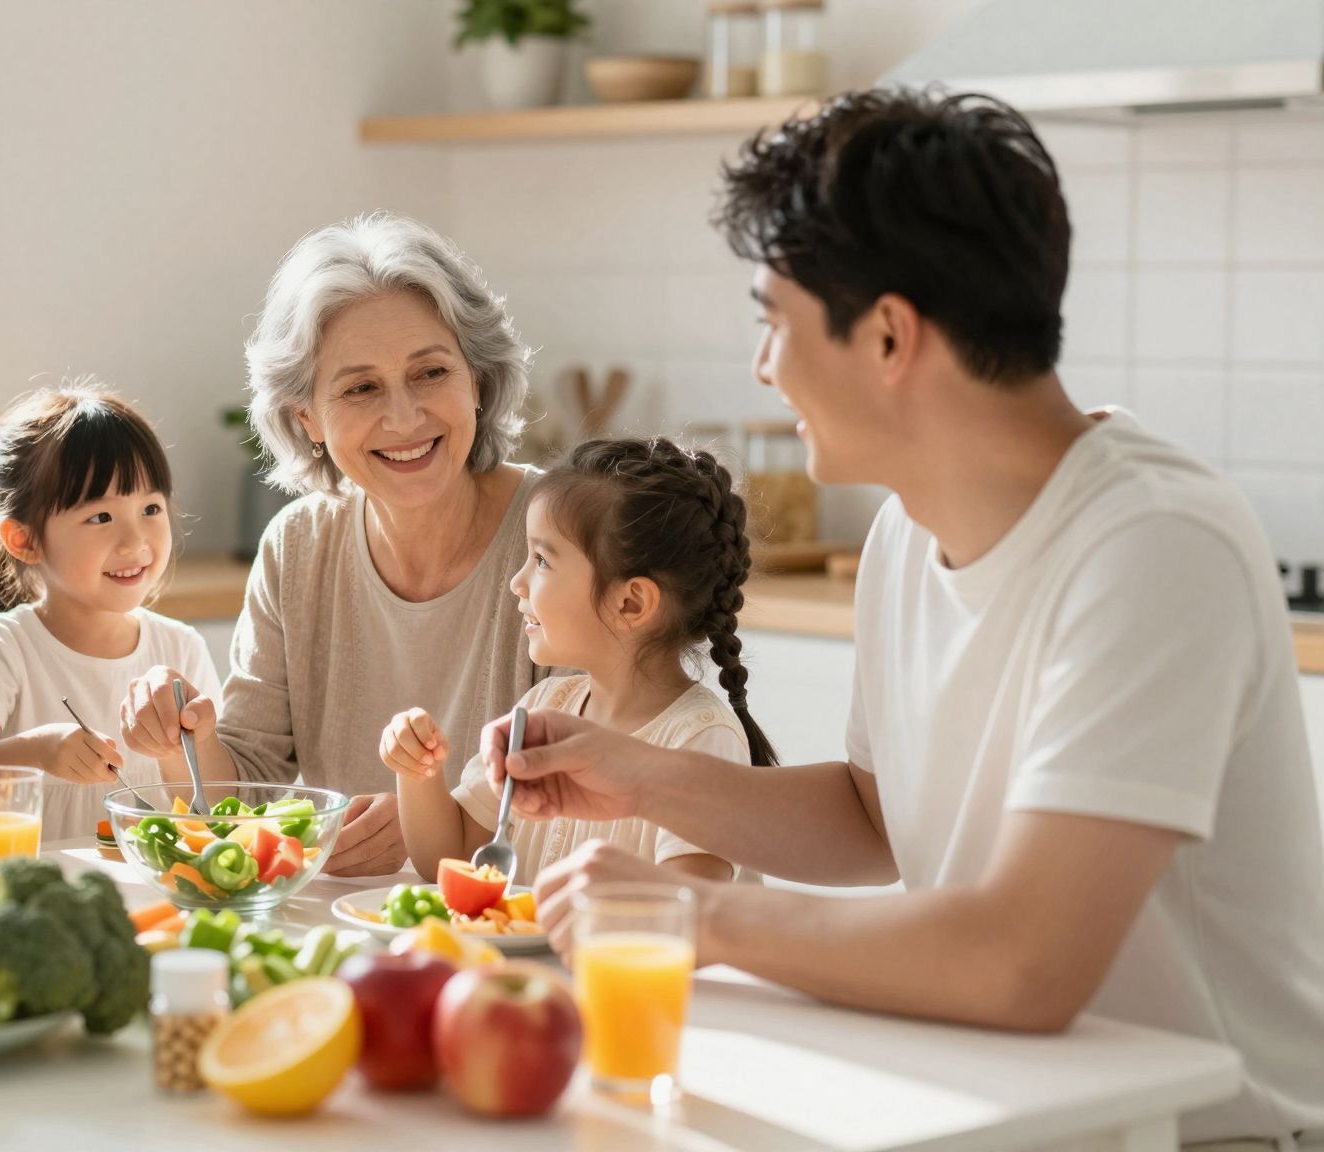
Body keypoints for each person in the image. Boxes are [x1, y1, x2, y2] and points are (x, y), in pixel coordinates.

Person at [482, 89, 1324, 1145]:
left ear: (886, 336)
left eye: (771, 323)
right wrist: (634, 771)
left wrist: (685, 914)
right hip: (1008, 1102)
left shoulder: (1150, 545)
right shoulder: (900, 535)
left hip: (1203, 1134)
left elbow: (1023, 962)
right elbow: (877, 823)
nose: (761, 367)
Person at [117, 212, 543, 876]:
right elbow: (243, 790)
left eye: (431, 373)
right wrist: (183, 740)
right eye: (361, 388)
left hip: (539, 933)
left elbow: (612, 785)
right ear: (307, 417)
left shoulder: (563, 537)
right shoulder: (298, 549)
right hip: (352, 931)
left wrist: (432, 826)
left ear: (478, 382)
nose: (404, 417)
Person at [384, 438, 767, 886]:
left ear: (630, 603)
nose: (516, 582)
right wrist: (418, 771)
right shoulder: (548, 707)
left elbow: (692, 912)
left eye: (542, 560)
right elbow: (449, 858)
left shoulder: (701, 738)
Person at [0, 385, 219, 846]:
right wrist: (38, 751)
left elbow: (220, 808)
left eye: (150, 508)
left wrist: (177, 748)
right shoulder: (2, 646)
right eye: (100, 517)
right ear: (24, 540)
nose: (135, 541)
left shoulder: (181, 648)